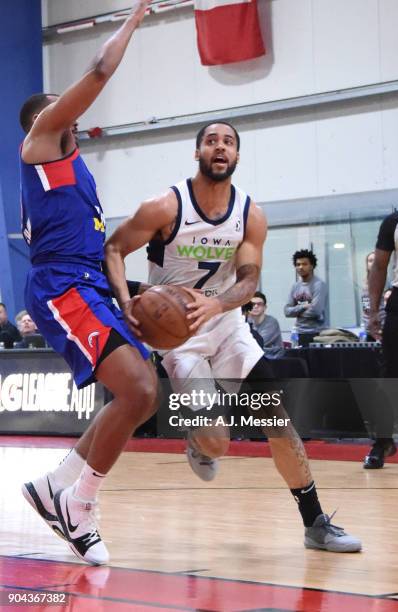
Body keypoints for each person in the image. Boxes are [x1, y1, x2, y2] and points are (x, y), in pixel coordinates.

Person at [105, 122, 361, 553]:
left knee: (276, 421)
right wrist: (128, 300)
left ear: (237, 157)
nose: (219, 147)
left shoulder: (249, 214)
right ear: (197, 153)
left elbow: (248, 280)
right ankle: (199, 442)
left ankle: (315, 521)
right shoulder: (165, 206)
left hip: (227, 327)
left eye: (228, 142)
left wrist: (218, 305)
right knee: (217, 443)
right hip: (178, 338)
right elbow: (112, 249)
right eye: (211, 141)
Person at [19, 0, 157, 566]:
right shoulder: (40, 145)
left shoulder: (80, 172)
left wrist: (126, 297)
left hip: (88, 285)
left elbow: (101, 248)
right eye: (60, 106)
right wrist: (134, 18)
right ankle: (77, 503)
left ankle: (61, 484)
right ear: (42, 120)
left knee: (140, 395)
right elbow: (99, 71)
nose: (71, 110)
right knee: (140, 391)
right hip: (60, 287)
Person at [365, 209, 398, 468]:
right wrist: (373, 310)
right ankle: (382, 442)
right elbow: (379, 265)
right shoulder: (396, 221)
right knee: (391, 378)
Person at [284, 250, 328, 347]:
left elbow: (316, 311)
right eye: (298, 264)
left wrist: (296, 312)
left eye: (304, 264)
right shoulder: (295, 286)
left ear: (312, 266)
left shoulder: (319, 285)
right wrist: (304, 306)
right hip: (300, 333)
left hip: (317, 334)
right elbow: (287, 311)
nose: (300, 267)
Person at [247, 291, 284, 358]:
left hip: (273, 361)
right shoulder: (245, 322)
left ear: (265, 307)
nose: (255, 306)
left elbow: (259, 343)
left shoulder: (272, 322)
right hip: (255, 359)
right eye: (252, 304)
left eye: (259, 304)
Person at [361, 251, 386, 340]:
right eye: (370, 261)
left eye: (375, 260)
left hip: (387, 328)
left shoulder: (387, 282)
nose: (372, 263)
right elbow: (367, 310)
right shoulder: (366, 287)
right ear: (367, 265)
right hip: (372, 331)